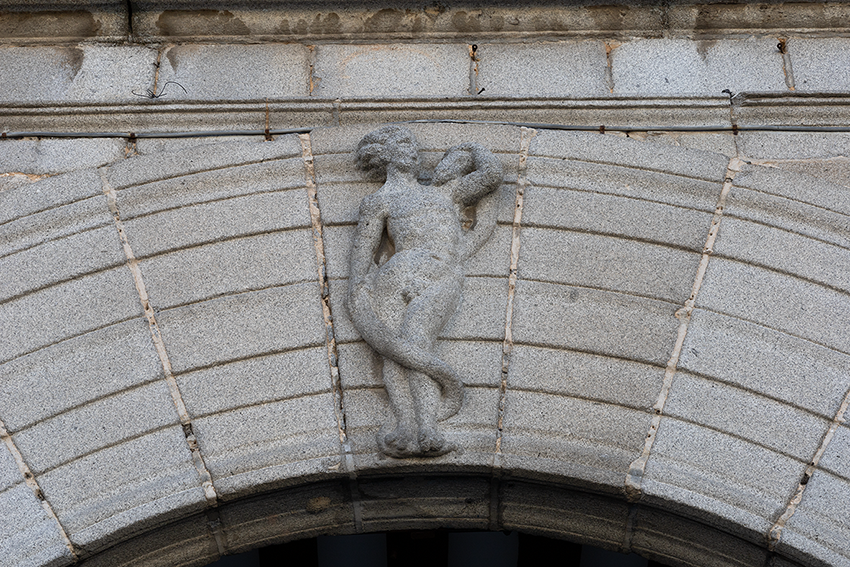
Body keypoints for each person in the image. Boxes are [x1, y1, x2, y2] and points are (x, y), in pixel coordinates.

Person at [347, 125, 503, 457]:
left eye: (414, 145)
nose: (414, 150)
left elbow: (490, 176)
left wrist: (470, 147)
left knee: (417, 337)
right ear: (384, 154)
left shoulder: (445, 192)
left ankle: (429, 425)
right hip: (395, 275)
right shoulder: (379, 201)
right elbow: (362, 257)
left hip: (439, 272)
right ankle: (405, 424)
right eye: (404, 144)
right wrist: (359, 292)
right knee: (394, 351)